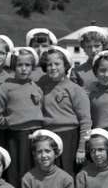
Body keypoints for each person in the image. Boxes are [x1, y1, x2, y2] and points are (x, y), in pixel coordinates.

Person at [38, 46, 92, 176]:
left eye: (57, 64)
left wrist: (82, 148)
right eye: (49, 64)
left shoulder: (75, 89)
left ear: (66, 65)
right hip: (49, 137)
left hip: (70, 137)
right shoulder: (42, 88)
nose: (53, 67)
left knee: (68, 173)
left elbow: (85, 121)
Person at [0, 46, 43, 188]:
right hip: (15, 136)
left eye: (27, 65)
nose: (23, 69)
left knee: (35, 169)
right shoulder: (4, 87)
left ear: (32, 67)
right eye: (19, 65)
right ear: (13, 66)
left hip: (36, 134)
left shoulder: (36, 87)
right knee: (17, 170)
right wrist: (12, 122)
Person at [70, 26, 108, 94]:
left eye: (97, 46)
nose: (93, 50)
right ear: (84, 49)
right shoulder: (77, 72)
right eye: (88, 47)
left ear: (103, 46)